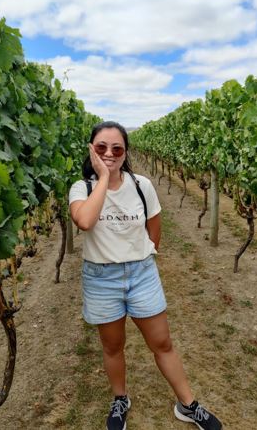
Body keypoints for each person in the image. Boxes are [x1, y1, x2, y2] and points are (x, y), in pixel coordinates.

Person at [68, 121, 222, 430]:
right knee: (113, 346)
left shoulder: (142, 186)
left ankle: (188, 405)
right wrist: (103, 178)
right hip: (101, 279)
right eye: (101, 147)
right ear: (91, 150)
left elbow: (155, 227)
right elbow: (84, 221)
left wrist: (146, 253)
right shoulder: (82, 188)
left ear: (126, 153)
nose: (109, 154)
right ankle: (120, 399)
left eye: (117, 149)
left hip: (141, 274)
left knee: (162, 342)